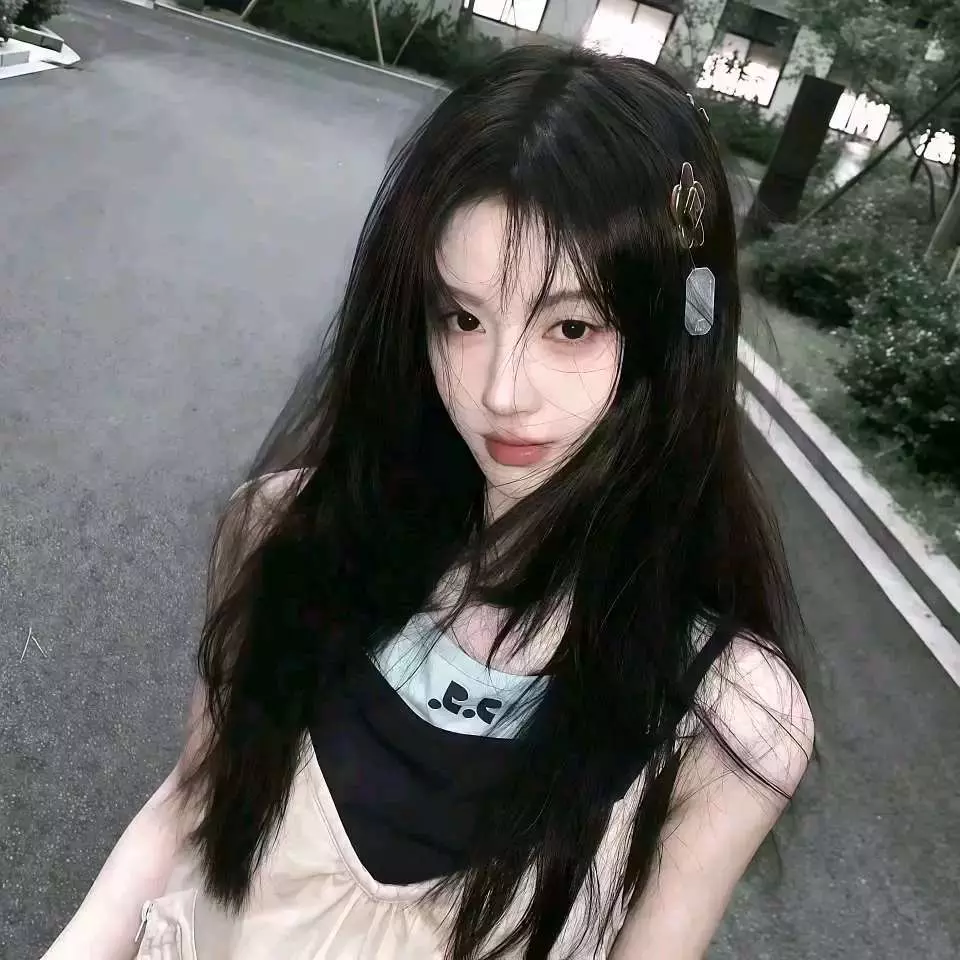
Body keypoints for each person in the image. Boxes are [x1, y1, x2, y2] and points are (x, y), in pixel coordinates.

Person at [42, 44, 815, 960]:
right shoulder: (289, 531)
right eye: (463, 318)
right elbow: (191, 807)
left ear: (673, 339)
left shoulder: (727, 718)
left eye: (571, 327)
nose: (499, 391)